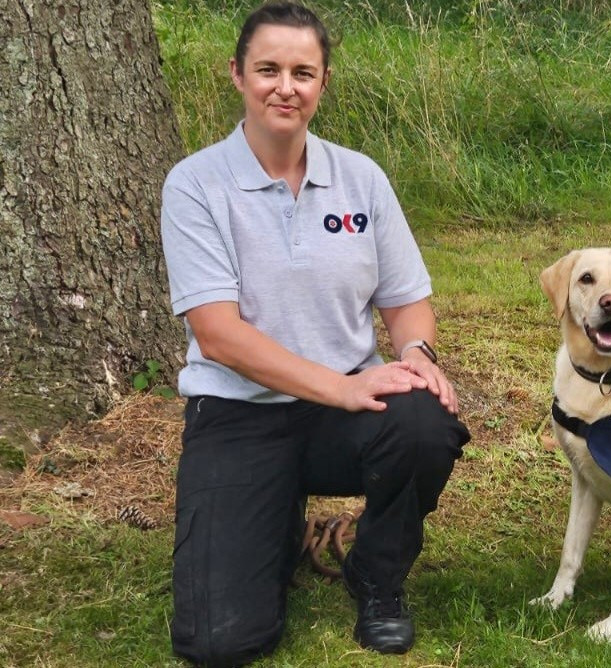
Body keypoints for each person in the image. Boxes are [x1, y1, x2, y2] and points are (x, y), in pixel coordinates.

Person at [159, 2, 470, 665]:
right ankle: (278, 527)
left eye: (303, 72)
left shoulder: (361, 179)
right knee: (221, 642)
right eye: (267, 69)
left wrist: (416, 352)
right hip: (239, 415)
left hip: (344, 412)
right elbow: (218, 336)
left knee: (424, 422)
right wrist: (339, 386)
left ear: (323, 82)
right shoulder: (195, 185)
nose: (285, 87)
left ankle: (376, 580)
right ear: (237, 74)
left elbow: (407, 302)